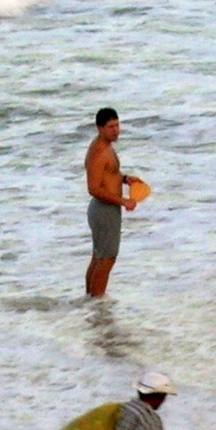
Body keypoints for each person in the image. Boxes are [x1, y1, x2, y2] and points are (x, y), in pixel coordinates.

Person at [84, 107, 138, 297]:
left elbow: (108, 175)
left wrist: (124, 179)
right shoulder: (99, 152)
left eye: (117, 125)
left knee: (99, 257)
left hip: (104, 209)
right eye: (110, 127)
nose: (116, 130)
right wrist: (123, 201)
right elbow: (94, 188)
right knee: (107, 259)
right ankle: (97, 305)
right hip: (104, 210)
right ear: (99, 128)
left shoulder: (106, 147)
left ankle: (91, 302)